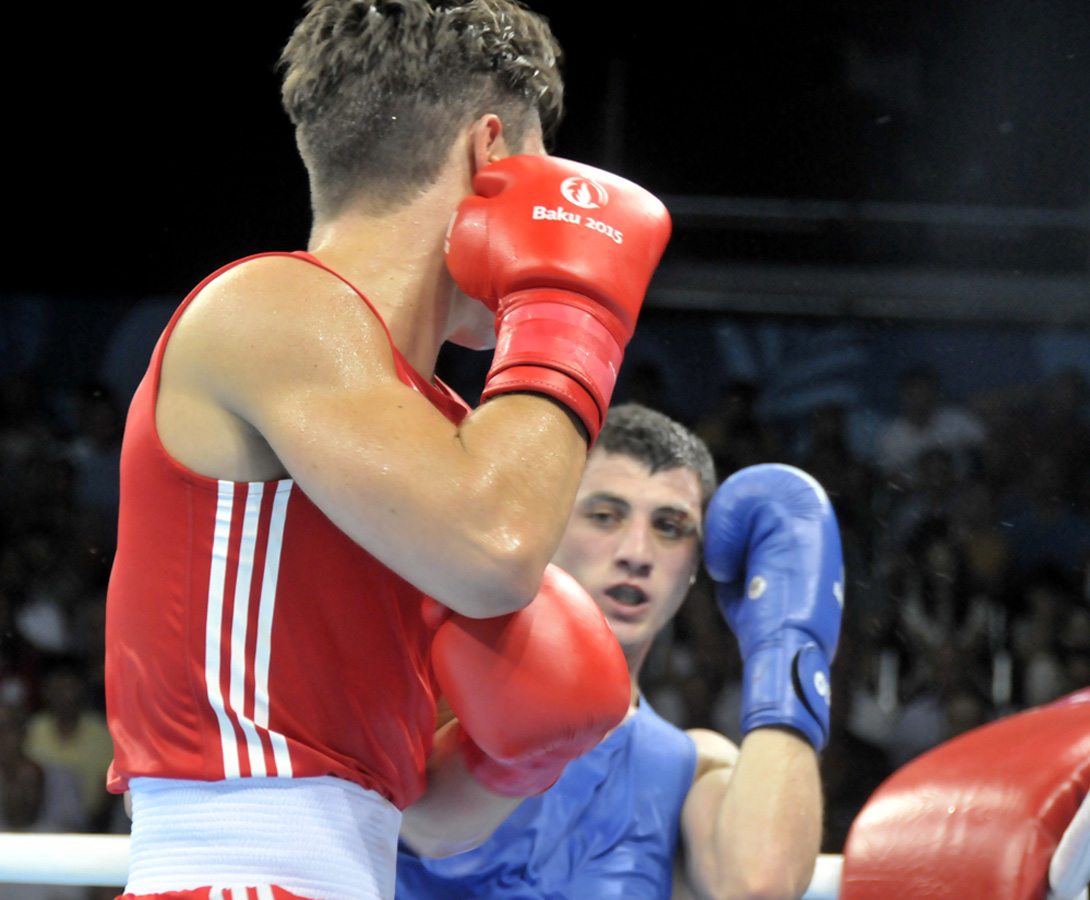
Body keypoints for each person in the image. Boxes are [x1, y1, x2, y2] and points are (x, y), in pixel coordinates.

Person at [104, 2, 672, 899]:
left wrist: (519, 754)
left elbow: (419, 819)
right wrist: (571, 310)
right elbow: (499, 548)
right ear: (493, 154)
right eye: (541, 172)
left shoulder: (433, 441)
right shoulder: (273, 308)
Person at [397, 403, 844, 900]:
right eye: (605, 516)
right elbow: (423, 828)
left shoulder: (688, 767)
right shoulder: (426, 681)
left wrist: (787, 648)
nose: (636, 553)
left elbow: (760, 886)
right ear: (550, 522)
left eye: (670, 527)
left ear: (696, 564)